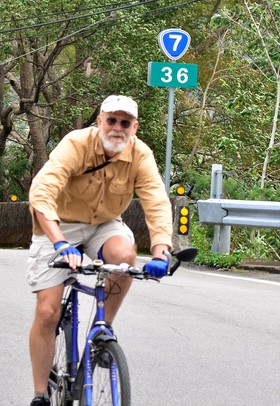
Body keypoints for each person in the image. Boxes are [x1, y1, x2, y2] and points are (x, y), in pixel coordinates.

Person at [25, 95, 172, 406]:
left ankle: (102, 331)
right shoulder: (76, 144)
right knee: (48, 311)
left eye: (125, 123)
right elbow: (42, 192)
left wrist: (161, 251)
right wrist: (60, 243)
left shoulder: (140, 155)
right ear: (100, 121)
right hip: (59, 224)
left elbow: (157, 203)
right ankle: (40, 393)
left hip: (104, 223)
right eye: (112, 120)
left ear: (134, 127)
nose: (117, 128)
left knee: (125, 257)